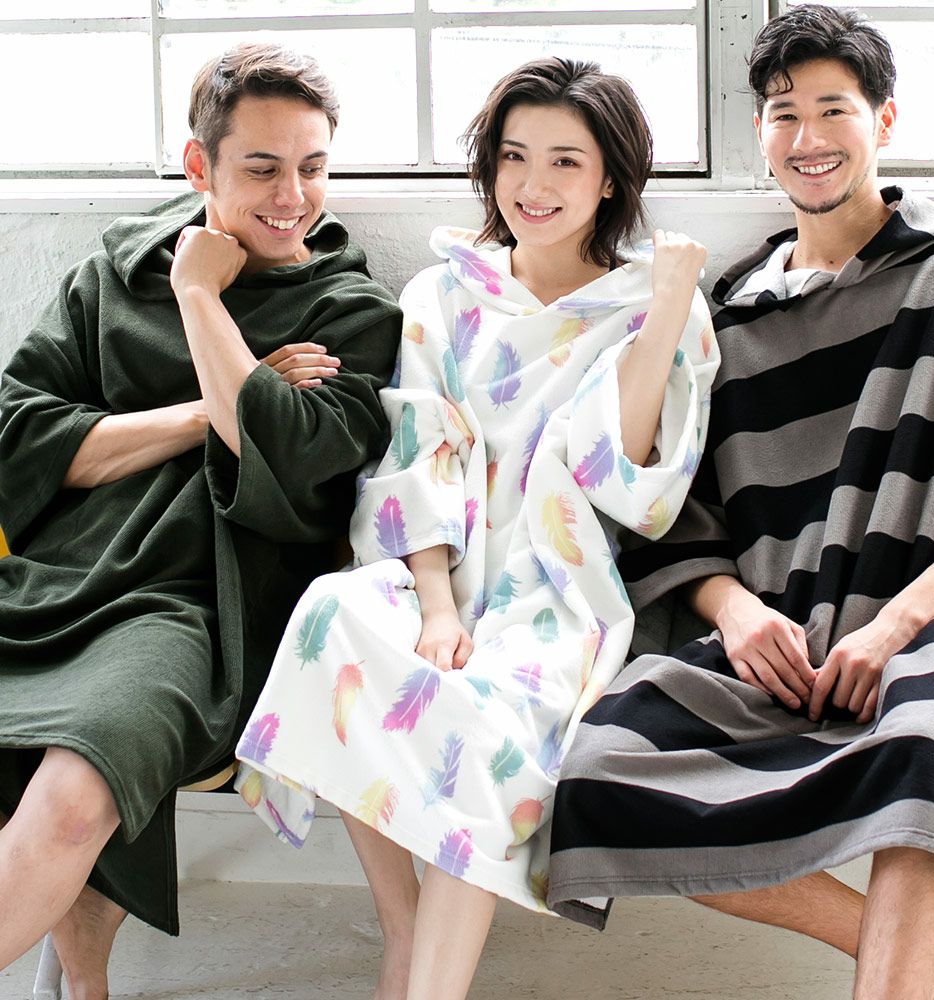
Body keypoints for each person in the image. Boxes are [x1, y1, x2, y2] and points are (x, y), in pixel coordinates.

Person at [235, 56, 719, 999]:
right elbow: (419, 457)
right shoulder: (444, 292)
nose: (534, 185)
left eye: (566, 162)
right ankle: (402, 933)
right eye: (514, 156)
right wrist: (435, 604)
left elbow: (625, 482)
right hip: (441, 570)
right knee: (333, 617)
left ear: (610, 178)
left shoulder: (655, 303)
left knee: (482, 720)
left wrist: (665, 309)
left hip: (558, 593)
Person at [546, 6, 934, 999]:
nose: (807, 137)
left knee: (928, 740)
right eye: (783, 113)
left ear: (884, 120)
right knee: (598, 768)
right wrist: (738, 613)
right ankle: (902, 970)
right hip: (783, 634)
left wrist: (899, 624)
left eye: (834, 109)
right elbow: (676, 508)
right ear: (759, 131)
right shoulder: (732, 316)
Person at [0, 42, 402, 998]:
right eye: (262, 168)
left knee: (84, 781)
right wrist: (204, 409)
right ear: (199, 165)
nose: (292, 197)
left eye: (313, 166)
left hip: (195, 611)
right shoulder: (114, 274)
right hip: (47, 583)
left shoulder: (351, 313)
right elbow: (18, 438)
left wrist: (198, 298)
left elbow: (285, 457)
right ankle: (84, 984)